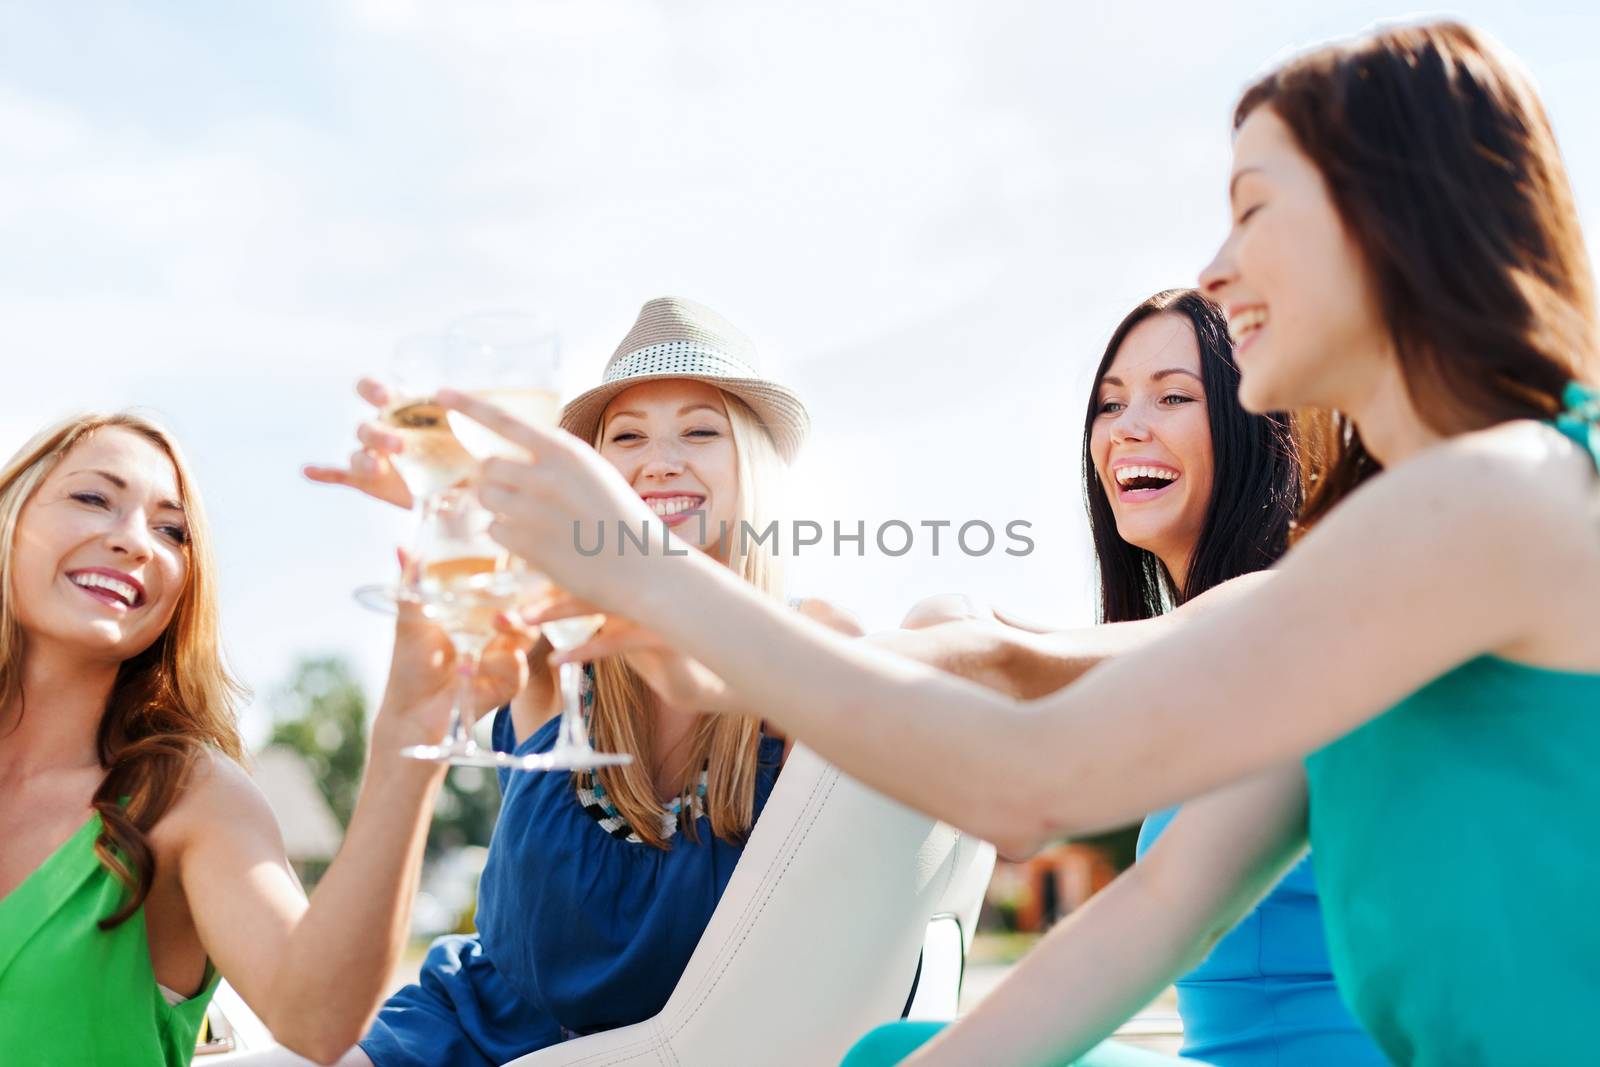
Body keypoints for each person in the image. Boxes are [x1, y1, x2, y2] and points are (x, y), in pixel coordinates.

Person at [444, 20, 1600, 1065]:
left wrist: (651, 572)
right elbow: (1154, 909)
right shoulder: (1376, 565)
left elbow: (1032, 779)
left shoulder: (1499, 494)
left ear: (1391, 214)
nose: (1212, 267)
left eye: (1251, 206)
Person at [293, 296, 860, 1066]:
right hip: (465, 1035)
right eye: (626, 438)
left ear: (751, 467)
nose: (660, 460)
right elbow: (491, 558)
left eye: (700, 430)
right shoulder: (553, 644)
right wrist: (445, 486)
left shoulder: (810, 646)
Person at [880, 287, 1382, 1066]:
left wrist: (763, 661)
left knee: (888, 1054)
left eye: (1173, 395)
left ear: (1258, 425)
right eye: (1109, 405)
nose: (1127, 429)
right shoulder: (1191, 672)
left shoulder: (1287, 619)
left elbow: (1018, 660)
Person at [0, 412, 525, 1066]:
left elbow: (316, 1018)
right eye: (93, 498)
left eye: (172, 531)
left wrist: (411, 733)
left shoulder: (186, 795)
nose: (136, 541)